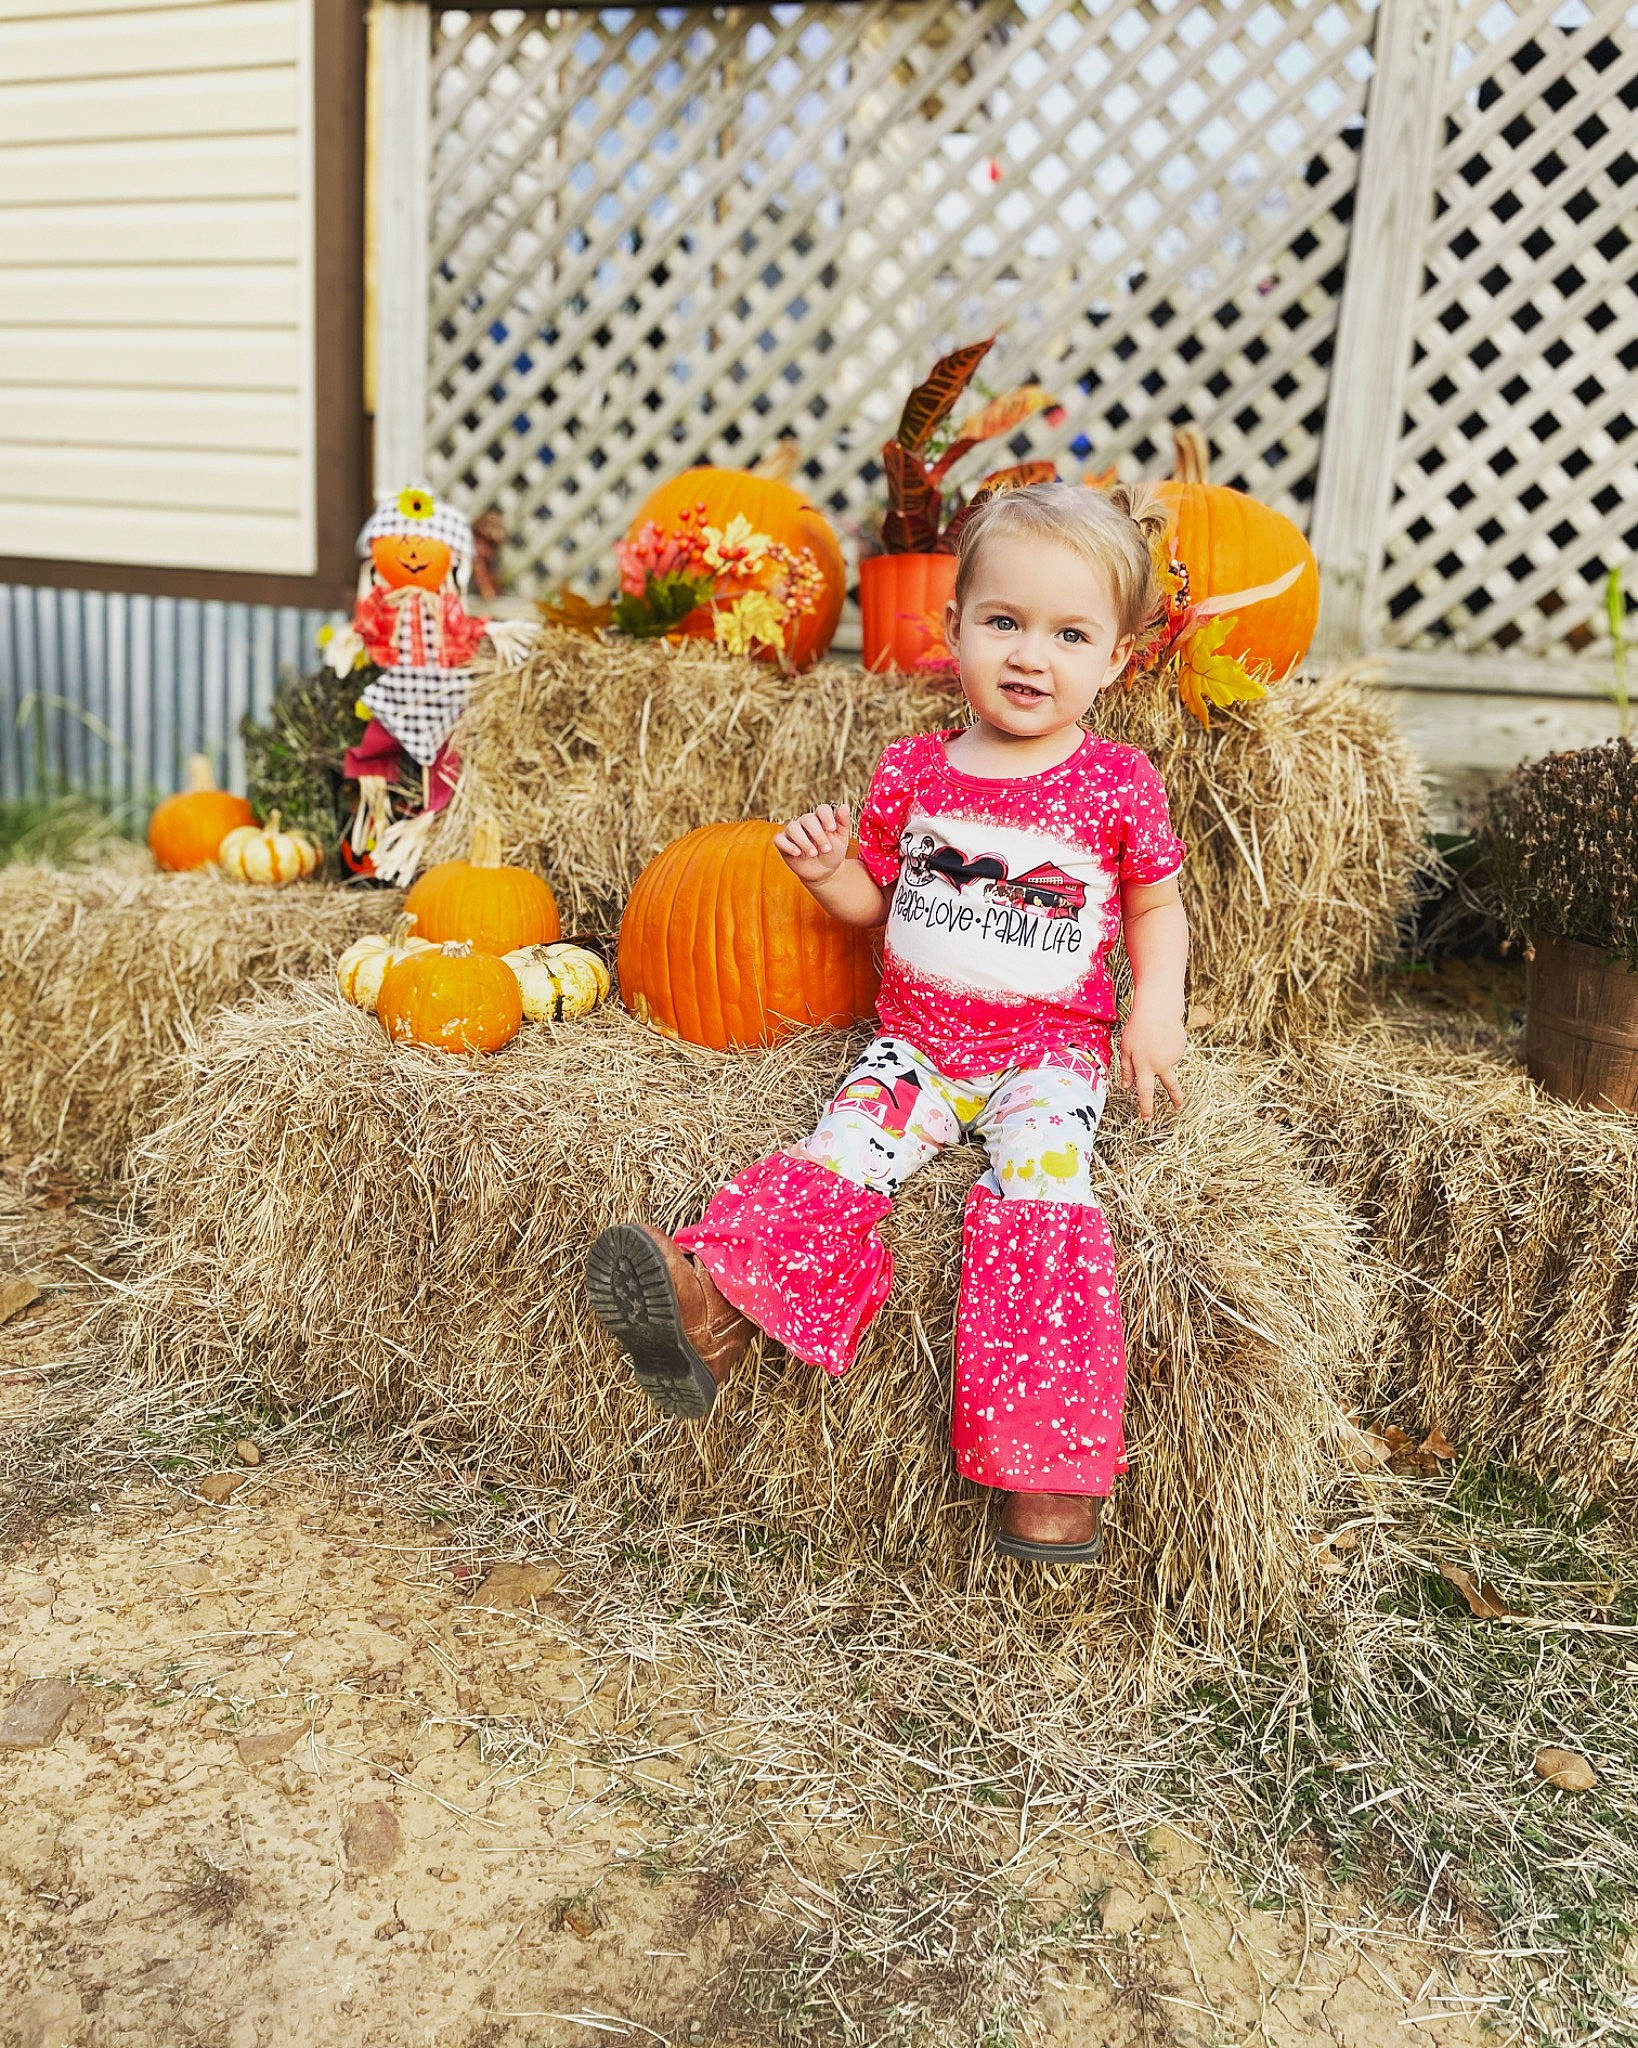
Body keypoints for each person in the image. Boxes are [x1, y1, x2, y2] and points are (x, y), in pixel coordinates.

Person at [586, 481, 1190, 1564]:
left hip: (1045, 1053)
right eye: (1003, 621)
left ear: (1114, 660)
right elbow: (879, 904)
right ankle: (712, 1311)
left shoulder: (1116, 783)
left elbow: (1154, 905)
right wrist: (828, 876)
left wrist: (1156, 1012)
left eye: (1068, 633)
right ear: (949, 628)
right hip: (914, 1044)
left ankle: (1049, 1471)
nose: (1029, 654)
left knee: (1044, 1194)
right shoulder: (912, 768)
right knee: (835, 1159)